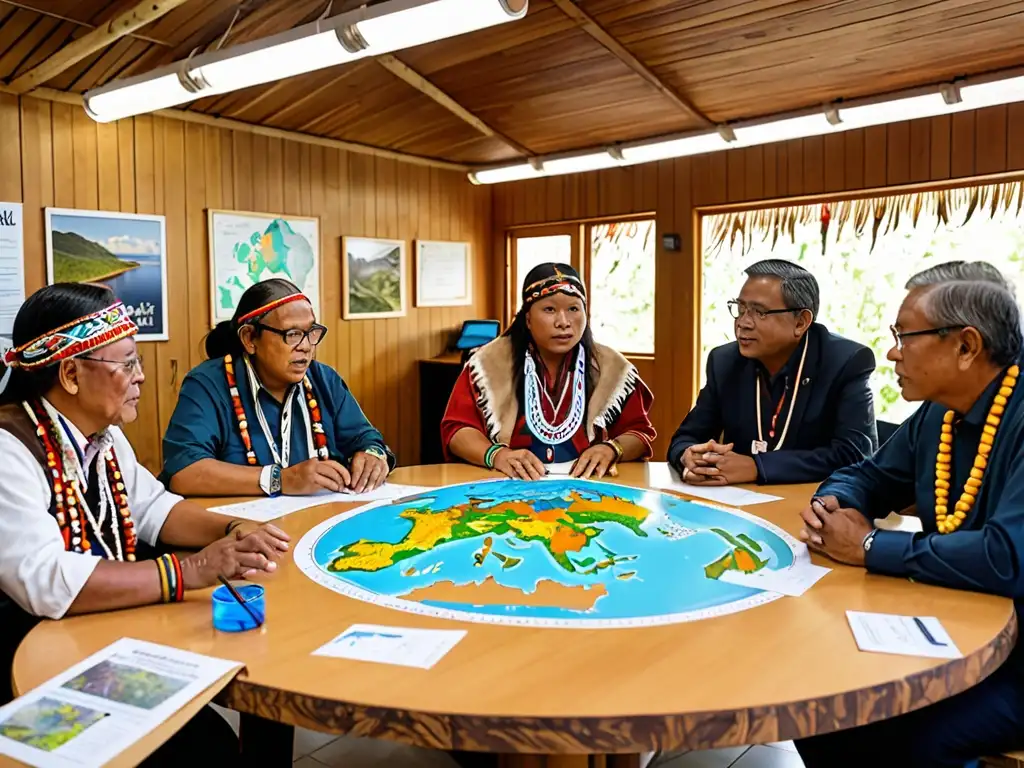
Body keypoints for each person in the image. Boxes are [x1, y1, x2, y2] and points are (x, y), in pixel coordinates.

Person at [0, 284, 290, 763]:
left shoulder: (105, 439)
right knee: (202, 751)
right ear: (70, 373)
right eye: (127, 363)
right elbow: (46, 580)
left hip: (94, 636)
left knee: (211, 739)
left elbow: (155, 509)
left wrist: (231, 531)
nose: (140, 377)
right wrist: (190, 571)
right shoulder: (11, 448)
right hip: (27, 659)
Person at [795, 279, 1024, 766]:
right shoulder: (938, 414)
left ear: (966, 346)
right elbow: (866, 476)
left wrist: (871, 546)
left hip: (1016, 656)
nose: (892, 353)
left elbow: (1007, 557)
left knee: (915, 739)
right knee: (820, 708)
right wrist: (834, 506)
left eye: (905, 336)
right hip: (954, 619)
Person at [161, 279, 394, 497]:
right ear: (250, 338)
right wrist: (281, 479)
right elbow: (184, 472)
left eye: (311, 332)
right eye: (292, 334)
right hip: (244, 532)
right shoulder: (209, 383)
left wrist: (374, 455)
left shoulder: (323, 379)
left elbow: (365, 438)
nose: (305, 347)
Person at [667, 259, 877, 485]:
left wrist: (757, 467)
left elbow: (854, 454)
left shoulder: (845, 362)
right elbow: (686, 437)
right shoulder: (725, 362)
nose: (743, 323)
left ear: (801, 322)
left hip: (813, 504)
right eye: (740, 309)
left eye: (760, 312)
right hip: (739, 502)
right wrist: (690, 456)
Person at [440, 262, 656, 480]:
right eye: (549, 309)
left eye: (573, 309)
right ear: (528, 319)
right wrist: (498, 455)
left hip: (588, 489)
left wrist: (612, 449)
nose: (563, 322)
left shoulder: (612, 368)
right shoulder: (487, 365)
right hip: (508, 486)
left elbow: (639, 433)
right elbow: (457, 429)